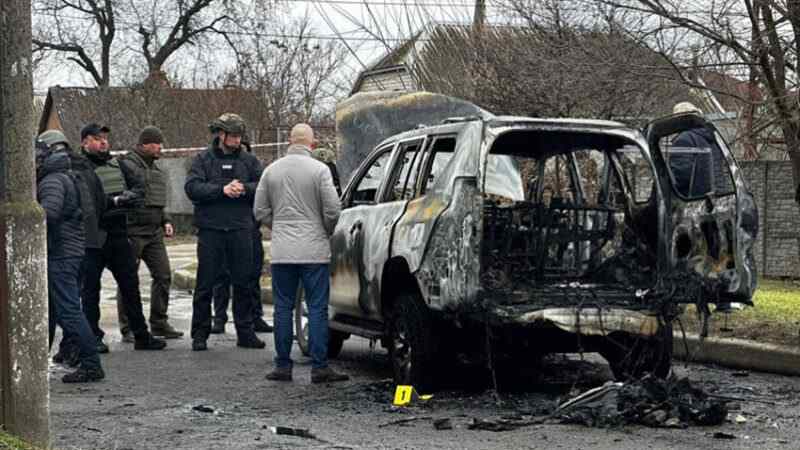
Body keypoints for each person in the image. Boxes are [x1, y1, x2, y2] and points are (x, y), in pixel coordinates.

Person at [255, 123, 347, 383]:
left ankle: (282, 366)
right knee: (317, 308)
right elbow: (333, 210)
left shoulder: (271, 171)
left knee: (283, 307)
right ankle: (320, 367)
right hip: (314, 250)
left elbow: (259, 210)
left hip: (283, 250)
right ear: (312, 144)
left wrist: (280, 227)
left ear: (289, 141)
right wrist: (323, 230)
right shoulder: (320, 170)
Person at [77, 123, 167, 352]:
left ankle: (141, 336)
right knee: (90, 291)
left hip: (118, 234)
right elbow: (87, 202)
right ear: (85, 142)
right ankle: (93, 338)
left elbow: (139, 187)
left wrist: (130, 197)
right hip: (92, 237)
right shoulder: (78, 167)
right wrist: (115, 201)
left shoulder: (117, 164)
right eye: (97, 138)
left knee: (130, 286)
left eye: (105, 138)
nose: (104, 142)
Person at [184, 113, 265, 351]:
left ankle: (245, 331)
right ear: (221, 134)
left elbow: (263, 186)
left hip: (241, 228)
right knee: (205, 283)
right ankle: (200, 334)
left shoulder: (249, 161)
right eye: (233, 135)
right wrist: (222, 190)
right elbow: (192, 188)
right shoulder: (203, 159)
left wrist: (243, 189)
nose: (238, 139)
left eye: (240, 135)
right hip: (211, 230)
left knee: (244, 282)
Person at [36, 130, 105, 383]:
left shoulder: (53, 180)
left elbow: (48, 215)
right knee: (54, 311)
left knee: (69, 312)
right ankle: (36, 361)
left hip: (61, 254)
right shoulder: (67, 176)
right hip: (71, 252)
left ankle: (91, 364)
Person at [114, 126, 183, 341]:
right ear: (144, 144)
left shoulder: (156, 170)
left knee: (163, 275)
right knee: (128, 279)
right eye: (156, 143)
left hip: (153, 233)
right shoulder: (125, 165)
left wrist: (166, 220)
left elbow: (158, 200)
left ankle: (159, 324)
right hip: (132, 231)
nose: (160, 147)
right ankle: (129, 328)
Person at [209, 137, 273, 336]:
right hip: (224, 228)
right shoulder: (215, 167)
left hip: (250, 229)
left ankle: (255, 316)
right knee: (222, 275)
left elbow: (263, 190)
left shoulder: (253, 170)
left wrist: (244, 188)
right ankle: (219, 317)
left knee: (251, 275)